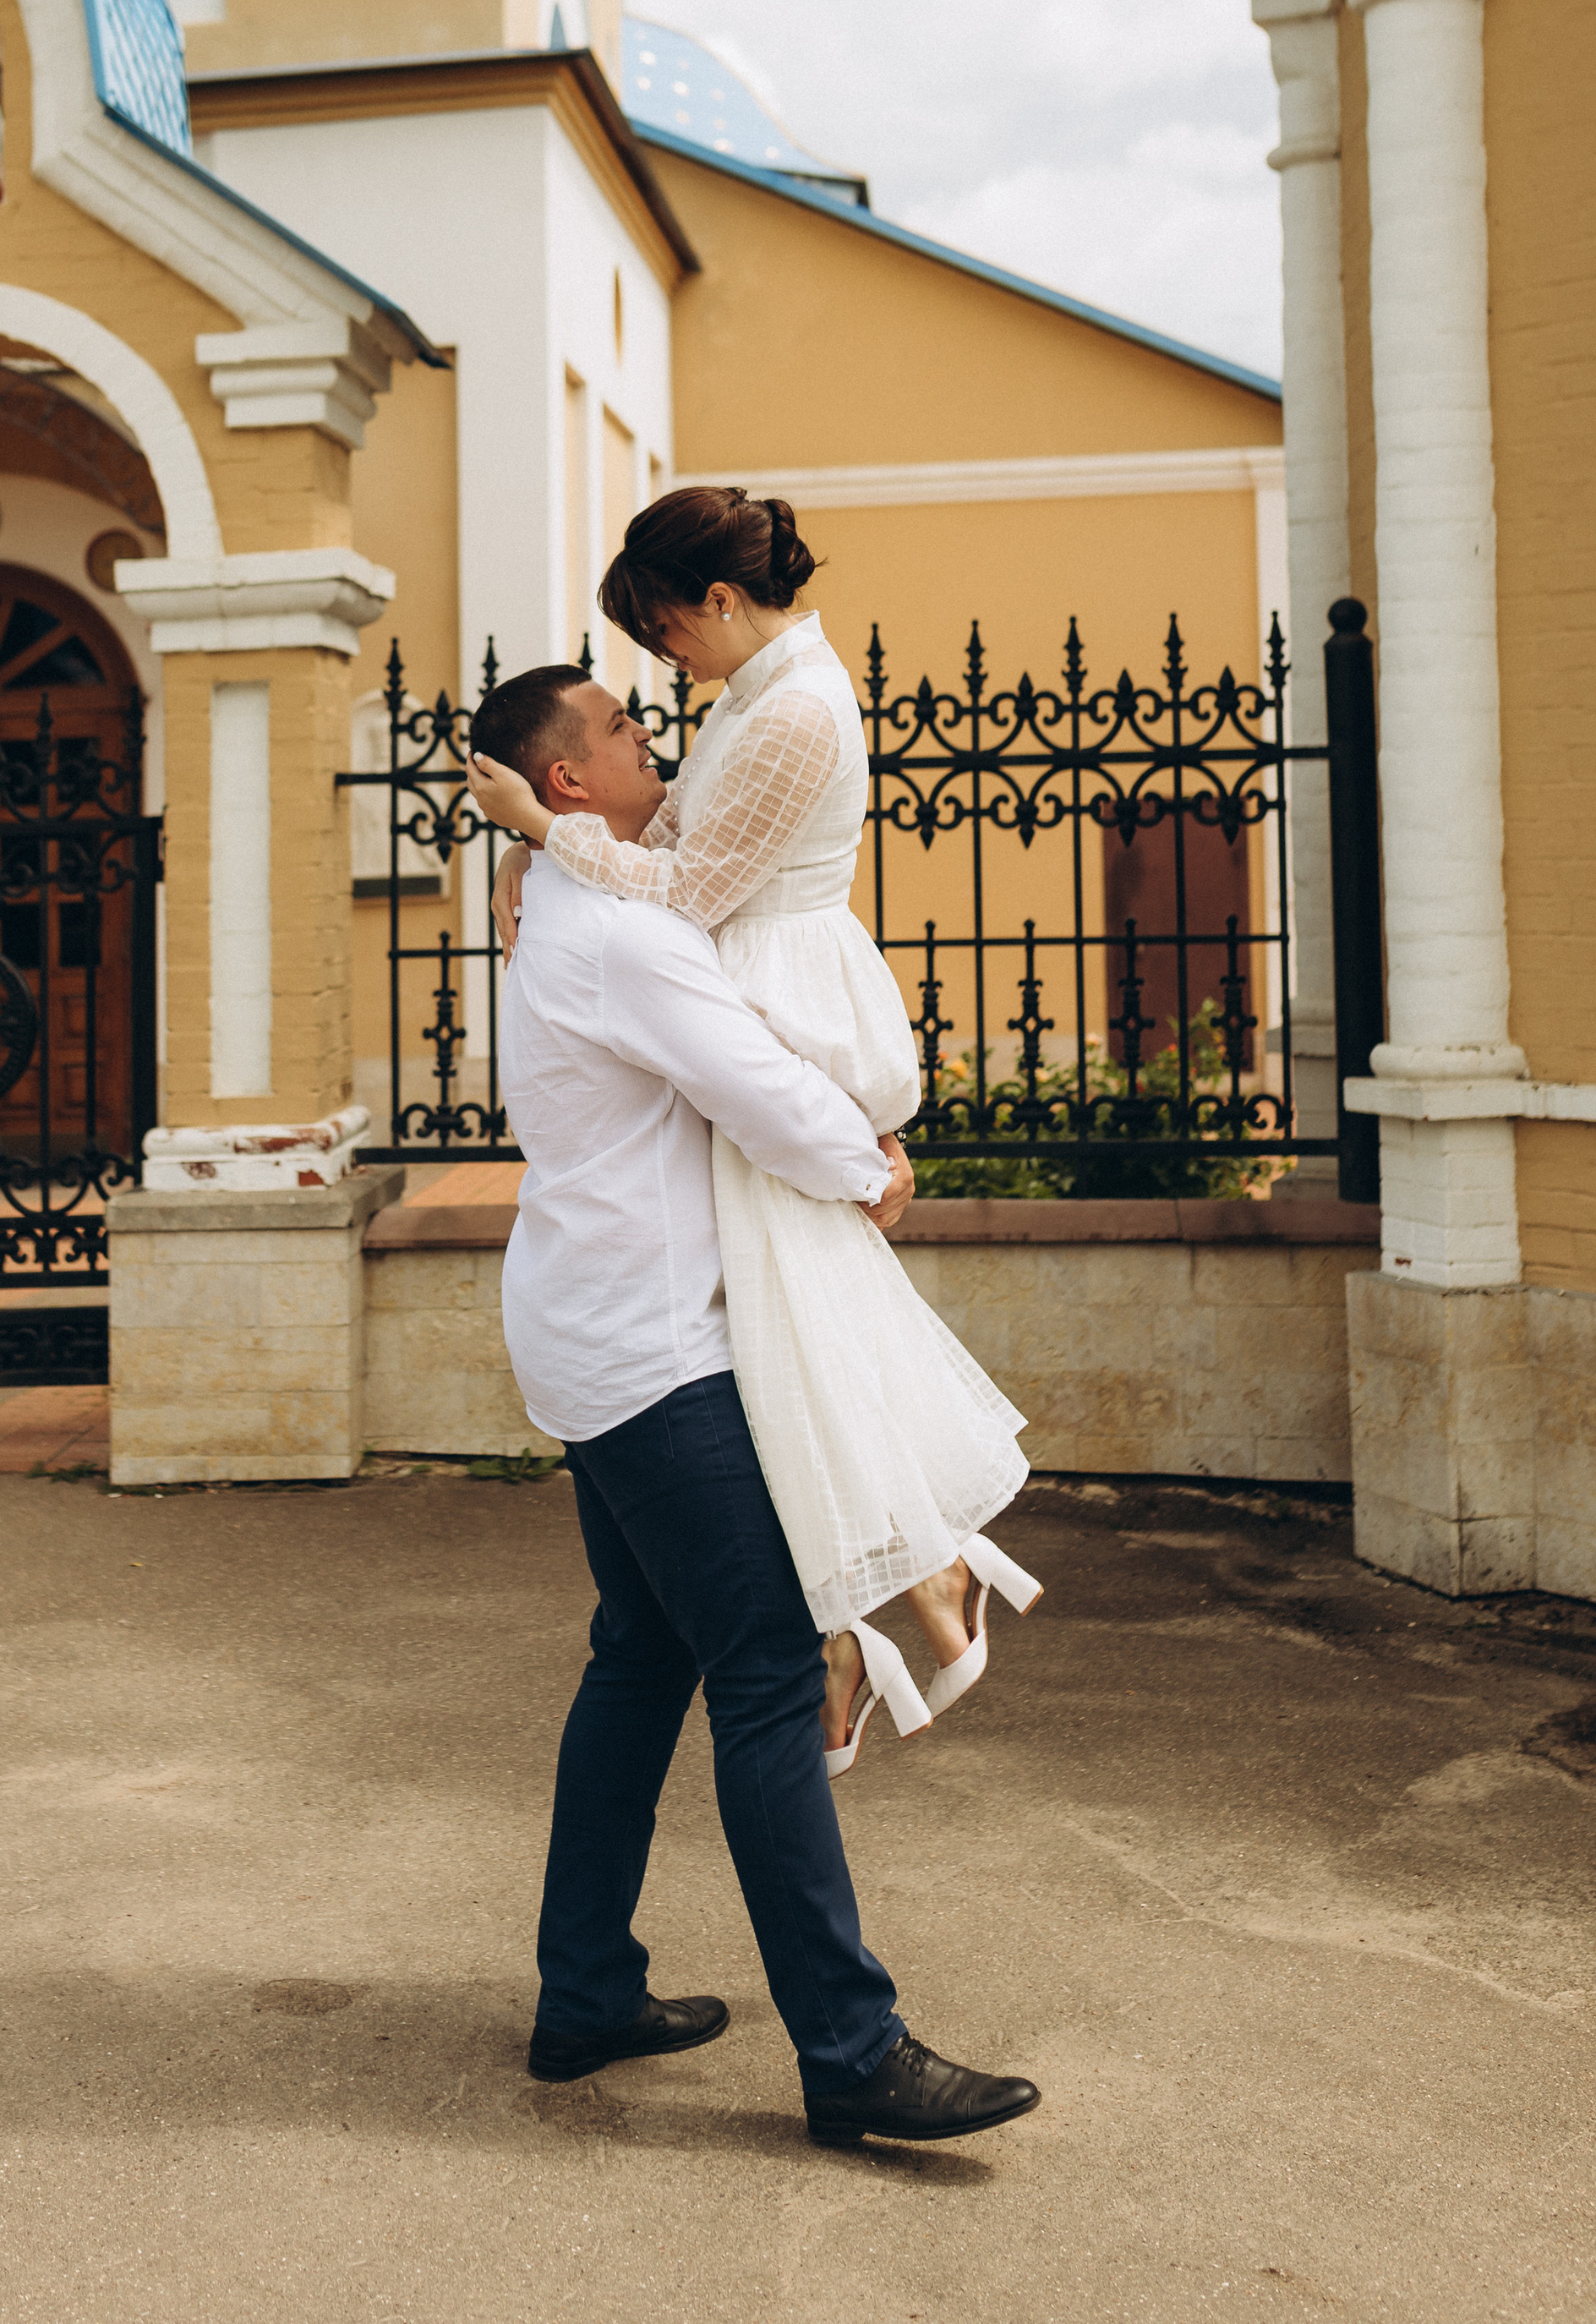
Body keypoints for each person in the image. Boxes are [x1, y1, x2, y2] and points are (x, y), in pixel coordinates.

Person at [473, 659, 1041, 2146]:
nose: (649, 731)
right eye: (619, 725)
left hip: (596, 1332)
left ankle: (586, 1988)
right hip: (656, 1352)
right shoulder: (615, 935)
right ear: (572, 782)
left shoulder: (582, 901)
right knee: (774, 1670)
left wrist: (530, 850)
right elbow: (752, 1081)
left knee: (641, 1656)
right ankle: (853, 2053)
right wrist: (874, 1169)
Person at [468, 489, 1040, 1772]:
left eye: (665, 630)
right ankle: (904, 1582)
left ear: (720, 602)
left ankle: (899, 1583)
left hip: (774, 990)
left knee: (801, 1304)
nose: (663, 665)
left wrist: (545, 831)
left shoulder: (794, 707)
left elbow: (688, 885)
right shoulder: (752, 699)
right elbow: (667, 833)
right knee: (797, 1314)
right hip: (727, 980)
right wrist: (545, 849)